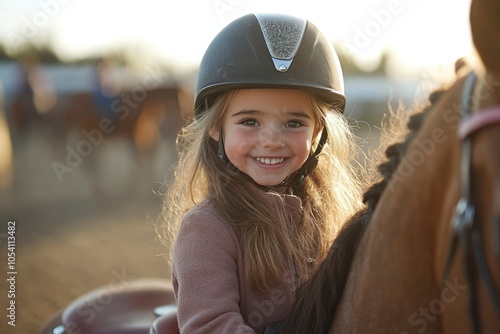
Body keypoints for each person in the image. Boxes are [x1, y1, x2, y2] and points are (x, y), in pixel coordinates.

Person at [159, 13, 364, 333]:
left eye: (294, 123)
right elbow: (210, 325)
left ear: (318, 131)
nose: (271, 141)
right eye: (250, 121)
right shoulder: (207, 229)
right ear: (215, 126)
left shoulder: (327, 216)